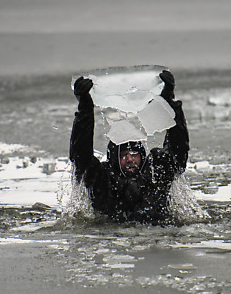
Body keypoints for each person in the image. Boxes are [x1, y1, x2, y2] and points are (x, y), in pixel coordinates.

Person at [69, 70, 189, 224]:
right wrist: (85, 107)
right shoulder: (101, 179)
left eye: (134, 154)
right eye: (123, 155)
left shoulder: (156, 173)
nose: (130, 159)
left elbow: (178, 150)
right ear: (113, 159)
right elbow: (80, 154)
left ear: (142, 156)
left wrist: (169, 104)